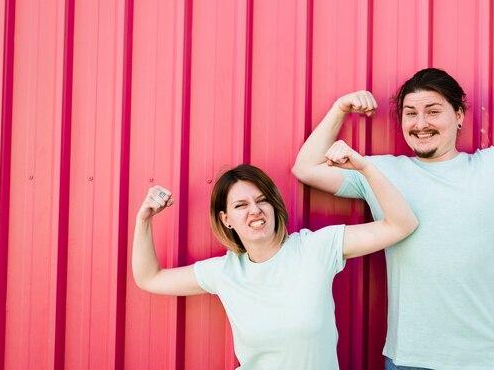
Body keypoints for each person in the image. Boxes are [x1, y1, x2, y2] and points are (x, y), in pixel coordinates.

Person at [292, 68, 494, 370]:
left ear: (458, 116)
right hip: (409, 360)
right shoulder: (378, 171)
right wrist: (339, 109)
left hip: (485, 359)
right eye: (411, 113)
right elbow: (306, 168)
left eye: (433, 111)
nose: (421, 123)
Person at [132, 140, 418, 370]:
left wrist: (364, 169)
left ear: (274, 206)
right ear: (226, 219)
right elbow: (149, 278)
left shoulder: (315, 248)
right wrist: (144, 219)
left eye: (261, 200)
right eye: (241, 205)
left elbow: (401, 224)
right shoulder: (224, 272)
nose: (254, 210)